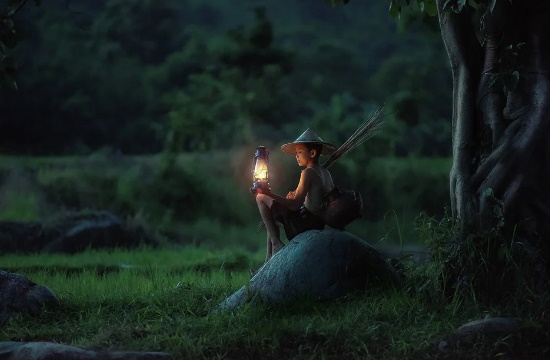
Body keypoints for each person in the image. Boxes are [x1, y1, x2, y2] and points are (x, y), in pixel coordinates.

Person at [255, 128, 336, 264]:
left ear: (312, 153)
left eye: (299, 152)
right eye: (296, 153)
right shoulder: (326, 173)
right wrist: (294, 197)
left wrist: (268, 193)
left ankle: (276, 243)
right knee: (271, 223)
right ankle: (268, 260)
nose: (296, 155)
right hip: (317, 223)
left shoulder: (308, 172)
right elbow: (313, 201)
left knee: (260, 197)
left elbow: (295, 205)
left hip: (304, 223)